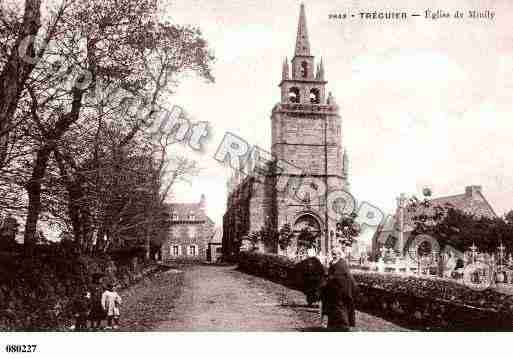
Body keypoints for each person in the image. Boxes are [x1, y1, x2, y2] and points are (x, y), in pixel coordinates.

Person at [321, 246, 359, 331]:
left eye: (335, 254)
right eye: (332, 254)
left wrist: (331, 278)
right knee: (333, 307)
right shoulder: (332, 262)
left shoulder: (342, 263)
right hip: (333, 289)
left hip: (342, 290)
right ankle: (333, 325)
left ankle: (344, 326)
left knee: (341, 308)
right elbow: (331, 274)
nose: (333, 256)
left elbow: (341, 276)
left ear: (339, 254)